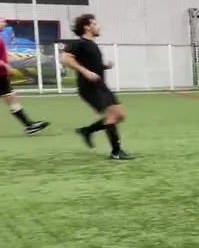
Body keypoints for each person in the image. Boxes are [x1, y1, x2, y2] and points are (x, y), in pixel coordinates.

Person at [62, 14, 131, 160]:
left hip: (100, 85)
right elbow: (66, 59)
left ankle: (87, 131)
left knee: (120, 114)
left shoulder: (92, 44)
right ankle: (116, 152)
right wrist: (85, 72)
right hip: (88, 87)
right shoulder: (79, 43)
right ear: (87, 27)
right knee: (111, 115)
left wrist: (104, 66)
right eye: (95, 24)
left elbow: (92, 65)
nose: (98, 26)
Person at [0, 18, 49, 135]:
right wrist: (5, 65)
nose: (4, 23)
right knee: (11, 98)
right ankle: (29, 125)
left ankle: (29, 125)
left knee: (12, 98)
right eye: (1, 21)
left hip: (2, 75)